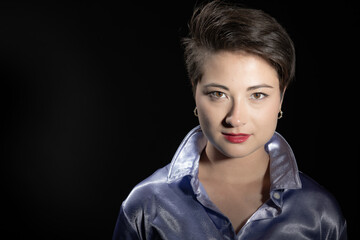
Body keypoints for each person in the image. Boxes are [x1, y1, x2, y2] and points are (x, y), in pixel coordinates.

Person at [113, 1, 347, 239]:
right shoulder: (145, 206)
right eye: (218, 94)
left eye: (257, 95)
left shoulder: (320, 213)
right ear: (195, 91)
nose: (235, 119)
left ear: (281, 97)